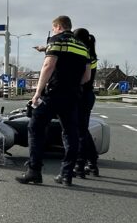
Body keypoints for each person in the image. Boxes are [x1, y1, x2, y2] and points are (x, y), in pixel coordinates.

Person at [17, 15, 91, 186]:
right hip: (72, 96)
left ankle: (34, 171)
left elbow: (48, 66)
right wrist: (72, 84)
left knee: (35, 127)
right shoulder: (82, 46)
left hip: (53, 93)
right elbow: (86, 76)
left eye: (53, 28)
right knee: (70, 133)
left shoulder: (56, 40)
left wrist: (37, 92)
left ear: (58, 26)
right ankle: (66, 175)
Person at [72, 28, 100, 178]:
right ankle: (92, 162)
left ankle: (80, 165)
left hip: (82, 95)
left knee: (80, 132)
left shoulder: (84, 55)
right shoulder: (90, 53)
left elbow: (83, 76)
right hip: (87, 95)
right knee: (83, 131)